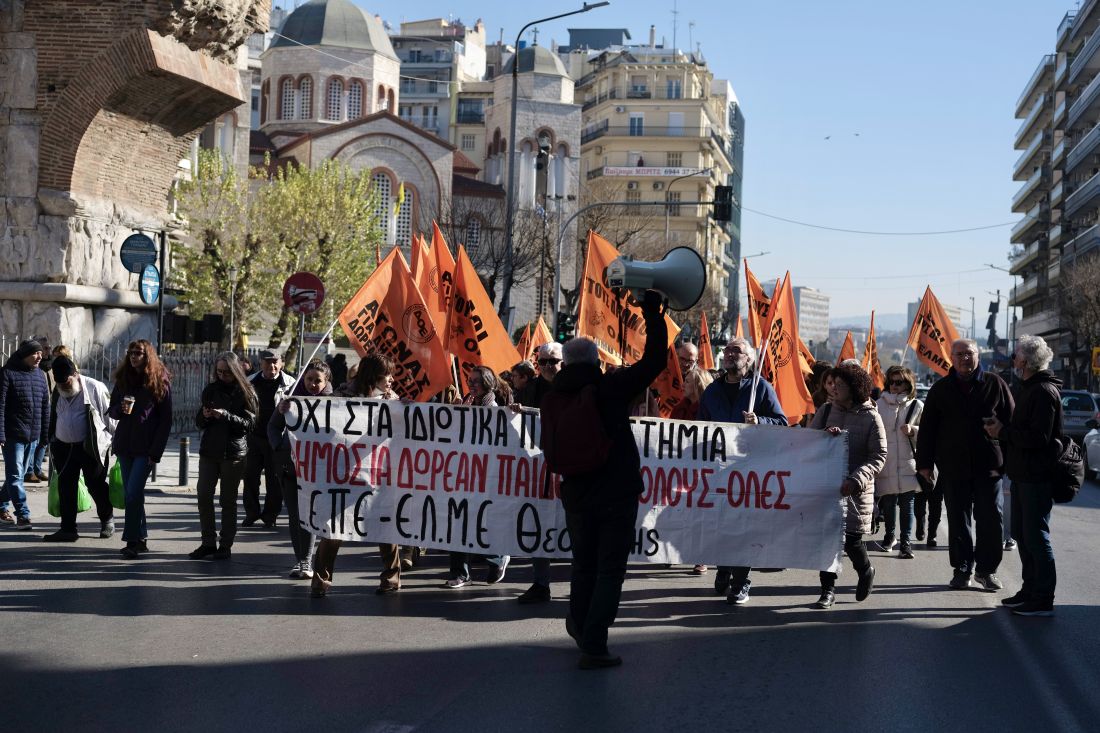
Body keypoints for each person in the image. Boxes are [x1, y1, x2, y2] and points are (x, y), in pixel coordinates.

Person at [542, 290, 667, 670]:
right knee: (610, 569)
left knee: (584, 565)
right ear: (596, 361)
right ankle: (595, 643)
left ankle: (581, 624)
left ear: (565, 363)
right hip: (615, 491)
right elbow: (655, 360)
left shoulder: (552, 395)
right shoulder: (609, 388)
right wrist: (652, 313)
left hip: (576, 491)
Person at [916, 339, 1014, 591]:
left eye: (969, 354)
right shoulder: (941, 389)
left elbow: (1012, 422)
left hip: (989, 466)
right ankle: (962, 569)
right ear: (951, 357)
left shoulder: (995, 384)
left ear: (978, 355)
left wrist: (1008, 450)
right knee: (959, 520)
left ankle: (987, 570)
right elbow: (927, 430)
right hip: (954, 467)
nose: (964, 359)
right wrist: (924, 464)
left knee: (991, 519)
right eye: (959, 354)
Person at [697, 338, 787, 603]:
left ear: (749, 358)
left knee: (744, 527)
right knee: (722, 524)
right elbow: (700, 426)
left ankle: (741, 581)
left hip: (750, 472)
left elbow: (782, 422)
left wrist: (760, 420)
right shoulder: (712, 391)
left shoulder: (761, 388)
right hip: (718, 471)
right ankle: (724, 568)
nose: (729, 354)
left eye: (737, 351)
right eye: (727, 350)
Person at [312, 353, 401, 597]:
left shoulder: (392, 400)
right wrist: (287, 408)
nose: (392, 379)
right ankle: (321, 580)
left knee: (386, 526)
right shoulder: (341, 396)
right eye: (387, 375)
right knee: (334, 528)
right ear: (374, 376)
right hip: (343, 474)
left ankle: (391, 579)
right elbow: (315, 417)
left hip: (378, 473)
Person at [983, 335, 1060, 616]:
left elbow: (1039, 437)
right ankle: (1029, 590)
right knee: (1023, 535)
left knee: (1036, 537)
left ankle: (1042, 598)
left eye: (1015, 355)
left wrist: (1002, 432)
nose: (1012, 359)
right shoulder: (1029, 388)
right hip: (1022, 474)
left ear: (1026, 361)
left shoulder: (1043, 392)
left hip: (1036, 476)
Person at [809, 363, 886, 609]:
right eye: (832, 384)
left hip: (855, 490)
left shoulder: (871, 416)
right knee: (828, 541)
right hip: (826, 485)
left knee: (852, 541)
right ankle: (827, 590)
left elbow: (878, 456)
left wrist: (856, 480)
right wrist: (824, 437)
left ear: (854, 388)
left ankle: (865, 570)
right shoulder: (825, 410)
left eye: (840, 385)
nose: (833, 388)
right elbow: (808, 442)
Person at [445, 366, 510, 588]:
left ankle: (498, 557)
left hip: (484, 475)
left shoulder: (492, 407)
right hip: (462, 473)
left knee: (484, 520)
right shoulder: (465, 402)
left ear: (488, 383)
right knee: (458, 520)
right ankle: (460, 572)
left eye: (476, 381)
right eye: (469, 380)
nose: (471, 385)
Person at [189, 352, 257, 561]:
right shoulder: (211, 389)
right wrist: (206, 416)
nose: (222, 376)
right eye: (219, 372)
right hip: (210, 451)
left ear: (236, 371)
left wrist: (225, 415)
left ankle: (225, 545)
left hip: (233, 453)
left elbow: (250, 424)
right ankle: (207, 542)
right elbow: (199, 422)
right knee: (203, 496)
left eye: (226, 372)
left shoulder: (247, 392)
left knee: (227, 501)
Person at [108, 340, 173, 559]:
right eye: (131, 352)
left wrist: (156, 452)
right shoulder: (123, 379)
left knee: (134, 493)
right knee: (131, 494)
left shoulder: (158, 381)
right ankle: (141, 537)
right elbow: (112, 411)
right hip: (125, 445)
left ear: (148, 356)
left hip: (145, 447)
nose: (134, 356)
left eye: (139, 353)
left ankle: (132, 540)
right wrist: (121, 408)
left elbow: (166, 420)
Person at [42, 356, 117, 541]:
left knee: (96, 485)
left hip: (90, 448)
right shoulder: (58, 389)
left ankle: (107, 520)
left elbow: (110, 418)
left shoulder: (95, 387)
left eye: (66, 381)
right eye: (59, 382)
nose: (63, 385)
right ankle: (68, 529)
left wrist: (115, 442)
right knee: (66, 487)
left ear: (75, 374)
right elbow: (54, 415)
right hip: (63, 448)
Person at [270, 361, 332, 580]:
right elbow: (273, 426)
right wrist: (280, 446)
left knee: (312, 515)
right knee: (296, 515)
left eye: (318, 380)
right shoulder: (291, 400)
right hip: (291, 467)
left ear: (326, 382)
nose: (313, 384)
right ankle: (303, 561)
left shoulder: (336, 403)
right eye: (309, 379)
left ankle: (313, 561)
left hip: (320, 470)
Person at [510, 345, 560, 604]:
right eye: (543, 362)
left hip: (570, 468)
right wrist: (519, 412)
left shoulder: (576, 387)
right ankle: (541, 584)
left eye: (554, 361)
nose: (549, 366)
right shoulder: (532, 388)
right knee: (539, 523)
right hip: (539, 468)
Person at [874, 365, 924, 559]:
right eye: (892, 382)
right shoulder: (879, 405)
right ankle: (889, 537)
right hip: (886, 462)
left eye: (899, 382)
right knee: (888, 503)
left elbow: (927, 434)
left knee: (907, 504)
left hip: (907, 462)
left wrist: (913, 430)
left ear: (908, 384)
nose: (894, 386)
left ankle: (906, 543)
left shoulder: (916, 406)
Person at [0, 339, 50, 530]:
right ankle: (23, 514)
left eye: (40, 353)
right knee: (15, 476)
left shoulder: (40, 375)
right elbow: (1, 405)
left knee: (18, 476)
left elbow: (45, 407)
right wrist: (1, 434)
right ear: (24, 354)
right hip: (13, 435)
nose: (39, 356)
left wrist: (45, 435)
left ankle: (1, 505)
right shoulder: (7, 373)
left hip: (33, 435)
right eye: (35, 353)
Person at [243, 350, 295, 528]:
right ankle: (251, 513)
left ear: (281, 364)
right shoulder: (250, 382)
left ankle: (270, 516)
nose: (271, 366)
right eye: (267, 362)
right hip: (253, 436)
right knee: (250, 477)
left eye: (275, 362)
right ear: (260, 363)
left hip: (276, 439)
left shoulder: (290, 384)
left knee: (274, 480)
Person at [26, 340, 55, 484]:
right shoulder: (35, 369)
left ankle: (37, 469)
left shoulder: (50, 367)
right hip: (38, 408)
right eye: (44, 348)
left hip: (49, 406)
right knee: (35, 441)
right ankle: (30, 470)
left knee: (44, 441)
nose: (47, 351)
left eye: (48, 348)